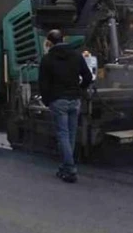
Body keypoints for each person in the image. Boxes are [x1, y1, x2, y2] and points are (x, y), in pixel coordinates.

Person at [37, 29, 93, 183]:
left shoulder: (47, 59)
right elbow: (88, 76)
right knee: (71, 135)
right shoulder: (76, 55)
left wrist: (48, 100)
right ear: (64, 39)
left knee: (63, 135)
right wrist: (80, 89)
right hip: (74, 100)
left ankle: (69, 168)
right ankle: (64, 166)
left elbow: (43, 84)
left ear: (49, 42)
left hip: (58, 100)